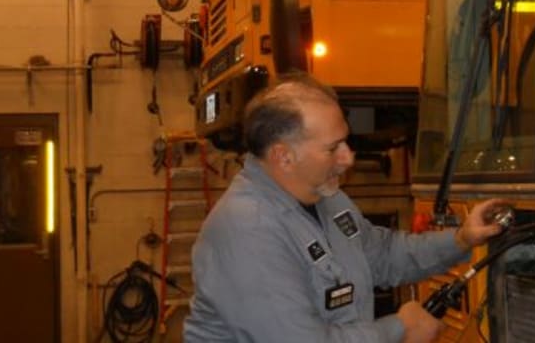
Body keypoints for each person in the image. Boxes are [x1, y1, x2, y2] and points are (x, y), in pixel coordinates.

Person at [184, 73, 507, 342]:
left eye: (346, 142)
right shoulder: (247, 229)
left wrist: (461, 239)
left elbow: (383, 254)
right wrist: (399, 329)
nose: (348, 158)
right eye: (333, 148)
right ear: (284, 157)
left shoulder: (326, 198)